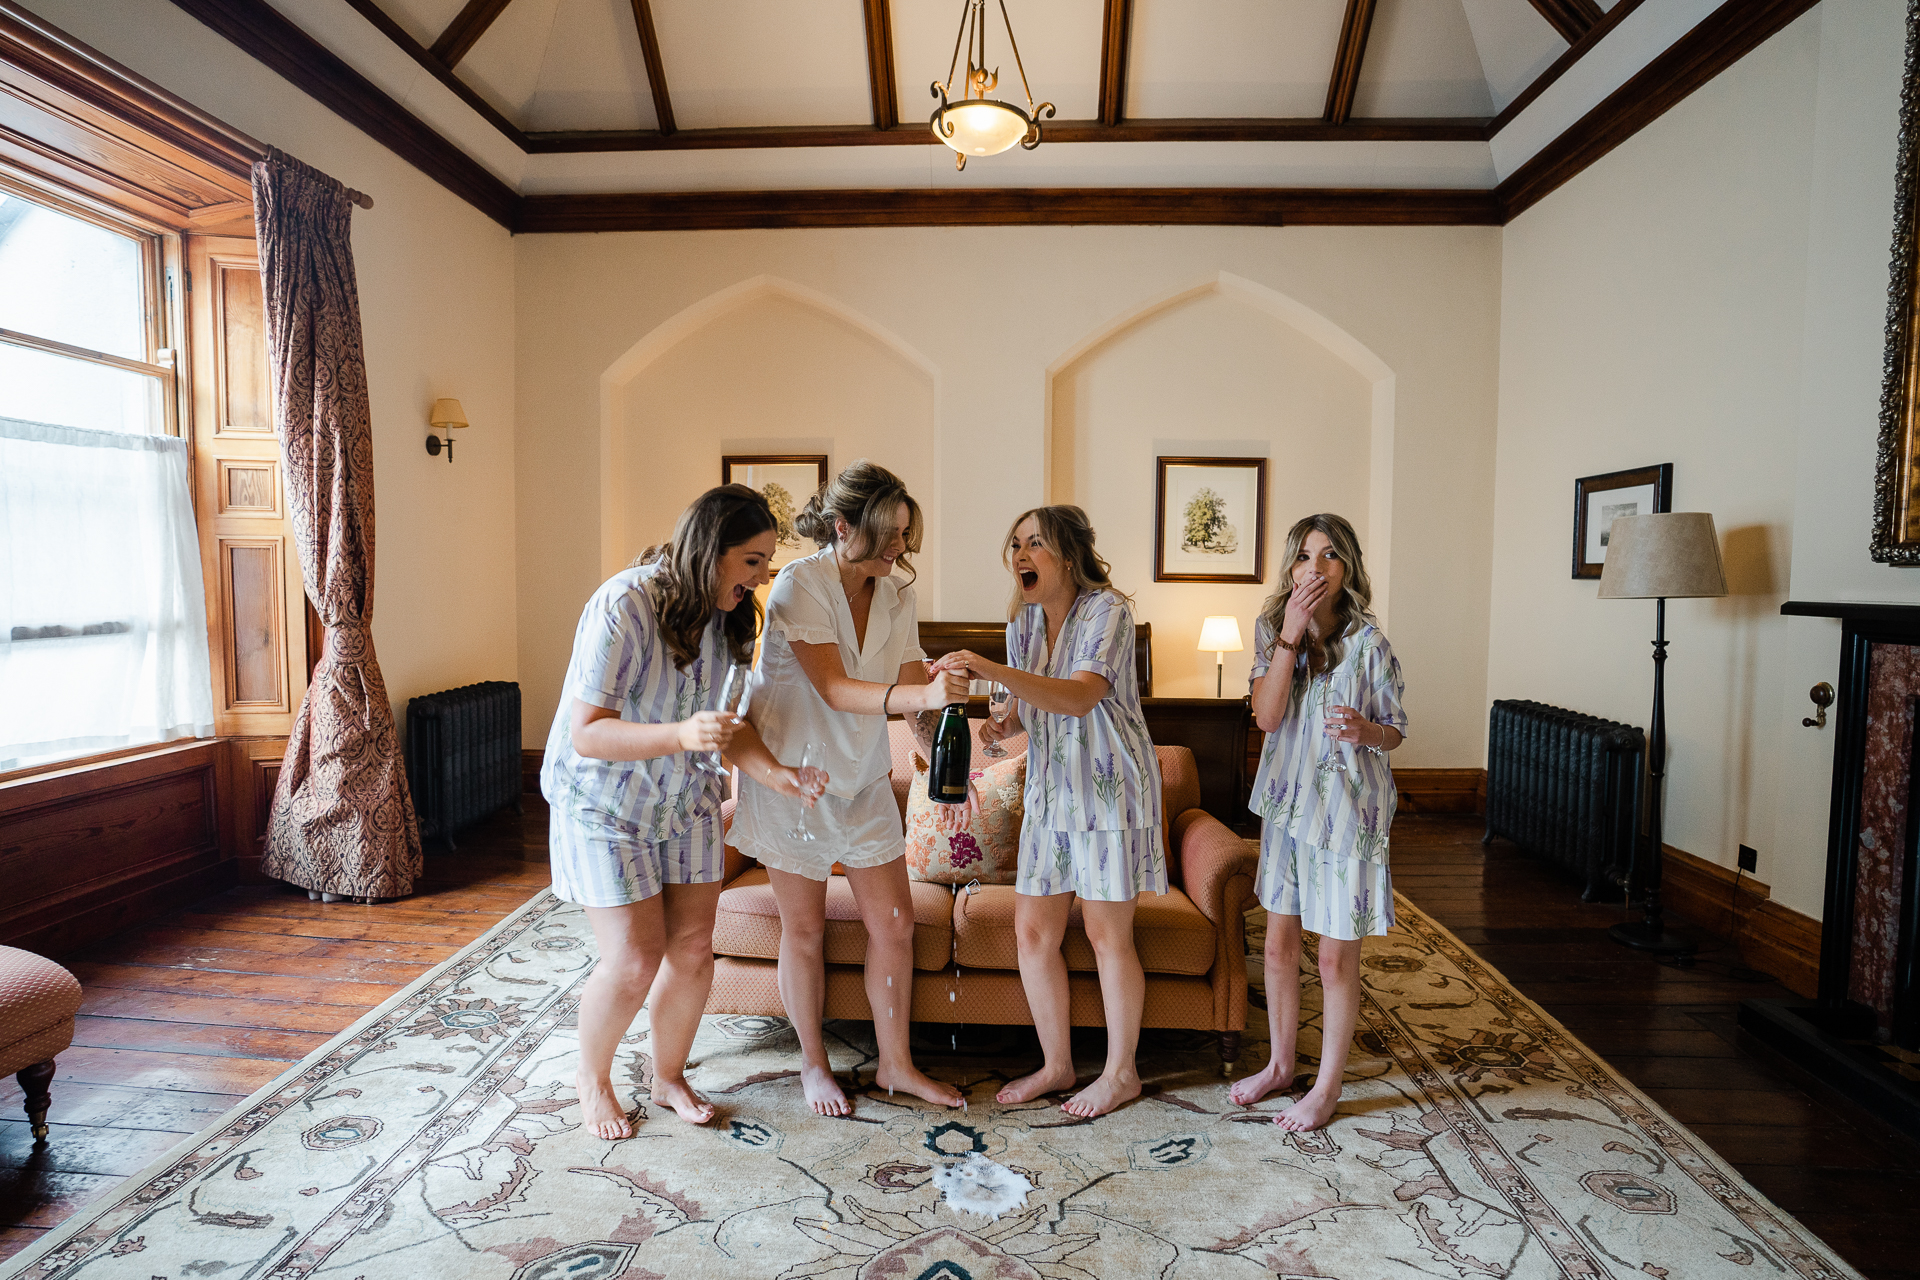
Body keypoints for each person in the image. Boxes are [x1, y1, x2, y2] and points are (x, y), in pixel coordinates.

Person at [540, 484, 822, 1141]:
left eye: (767, 562)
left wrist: (782, 777)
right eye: (751, 561)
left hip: (683, 798)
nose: (761, 577)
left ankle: (668, 1077)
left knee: (694, 948)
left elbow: (729, 728)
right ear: (710, 549)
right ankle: (594, 1079)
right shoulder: (624, 603)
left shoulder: (733, 618)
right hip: (604, 801)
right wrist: (682, 735)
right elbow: (588, 732)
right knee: (635, 958)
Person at [730, 460, 967, 1117]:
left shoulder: (897, 594)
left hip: (861, 779)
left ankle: (895, 1063)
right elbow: (834, 687)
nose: (901, 546)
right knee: (803, 929)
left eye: (905, 534)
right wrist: (922, 690)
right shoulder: (798, 588)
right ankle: (813, 1066)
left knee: (893, 921)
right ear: (842, 526)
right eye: (889, 533)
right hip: (793, 778)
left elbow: (919, 693)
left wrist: (956, 765)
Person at [931, 505, 1165, 1119]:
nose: (1020, 555)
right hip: (1052, 794)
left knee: (1108, 935)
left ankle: (1121, 1075)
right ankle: (1057, 1063)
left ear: (1069, 554)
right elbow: (1030, 709)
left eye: (1035, 543)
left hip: (1111, 792)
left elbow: (1084, 696)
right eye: (1014, 544)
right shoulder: (1024, 625)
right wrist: (1004, 722)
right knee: (1033, 933)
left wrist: (985, 668)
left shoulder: (1108, 611)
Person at [1229, 513, 1407, 1132]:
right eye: (1305, 556)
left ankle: (1326, 1086)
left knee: (1334, 959)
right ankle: (1281, 1065)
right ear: (1291, 568)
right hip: (1288, 804)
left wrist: (1367, 731)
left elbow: (1396, 731)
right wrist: (1290, 634)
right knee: (1277, 945)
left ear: (1347, 567)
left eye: (1330, 556)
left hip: (1349, 812)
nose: (1316, 567)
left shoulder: (1370, 644)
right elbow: (1268, 717)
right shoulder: (1272, 628)